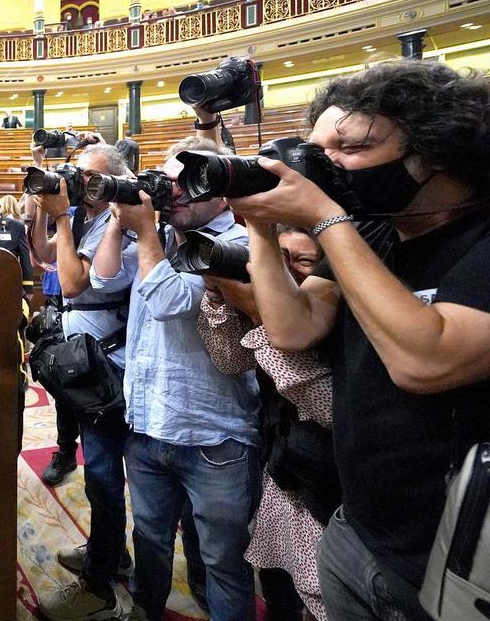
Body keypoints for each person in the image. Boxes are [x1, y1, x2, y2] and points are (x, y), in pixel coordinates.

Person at [229, 59, 490, 621]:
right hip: (357, 526)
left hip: (451, 557)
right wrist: (260, 227)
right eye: (318, 149)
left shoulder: (480, 236)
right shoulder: (369, 228)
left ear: (435, 149)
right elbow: (293, 328)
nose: (328, 165)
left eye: (348, 147)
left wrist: (326, 219)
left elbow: (427, 360)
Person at [92, 135, 260, 621]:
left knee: (223, 561)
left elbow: (167, 302)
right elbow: (102, 279)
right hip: (146, 426)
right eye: (170, 184)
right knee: (150, 544)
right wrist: (121, 216)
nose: (179, 194)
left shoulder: (238, 244)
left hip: (214, 435)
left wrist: (144, 233)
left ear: (223, 190)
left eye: (192, 183)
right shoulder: (160, 237)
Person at [196, 225, 335, 621]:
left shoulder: (338, 319)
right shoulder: (265, 301)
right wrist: (217, 295)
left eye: (303, 261)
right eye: (279, 258)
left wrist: (263, 312)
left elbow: (326, 407)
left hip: (331, 489)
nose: (286, 271)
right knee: (277, 580)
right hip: (283, 466)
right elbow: (229, 360)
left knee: (324, 598)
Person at [30, 143, 139, 621]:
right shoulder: (91, 218)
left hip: (107, 367)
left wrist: (61, 217)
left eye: (88, 177)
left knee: (102, 475)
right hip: (83, 362)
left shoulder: (123, 226)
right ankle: (108, 552)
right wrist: (43, 207)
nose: (79, 183)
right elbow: (43, 255)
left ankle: (100, 578)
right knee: (99, 473)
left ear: (112, 180)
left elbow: (72, 283)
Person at [0, 192, 33, 295]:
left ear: (0, 207)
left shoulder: (15, 226)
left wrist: (28, 288)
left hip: (8, 284)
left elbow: (25, 258)